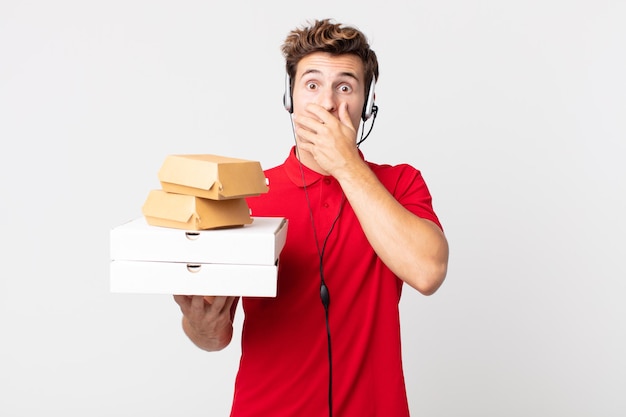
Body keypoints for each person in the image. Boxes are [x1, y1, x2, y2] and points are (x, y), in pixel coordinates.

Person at [173, 18, 449, 417]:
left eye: (345, 86)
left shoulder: (400, 183)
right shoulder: (248, 197)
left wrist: (345, 165)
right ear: (290, 99)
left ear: (366, 106)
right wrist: (199, 324)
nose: (327, 103)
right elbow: (216, 338)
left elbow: (428, 271)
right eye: (313, 84)